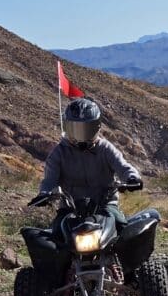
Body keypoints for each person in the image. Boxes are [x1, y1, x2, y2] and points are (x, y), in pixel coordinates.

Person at [37, 98, 141, 232]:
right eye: (75, 129)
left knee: (121, 227)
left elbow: (123, 167)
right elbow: (49, 180)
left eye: (86, 130)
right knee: (56, 233)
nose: (81, 136)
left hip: (104, 205)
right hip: (70, 208)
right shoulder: (59, 152)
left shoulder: (105, 148)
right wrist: (44, 194)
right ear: (67, 127)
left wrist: (132, 178)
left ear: (97, 127)